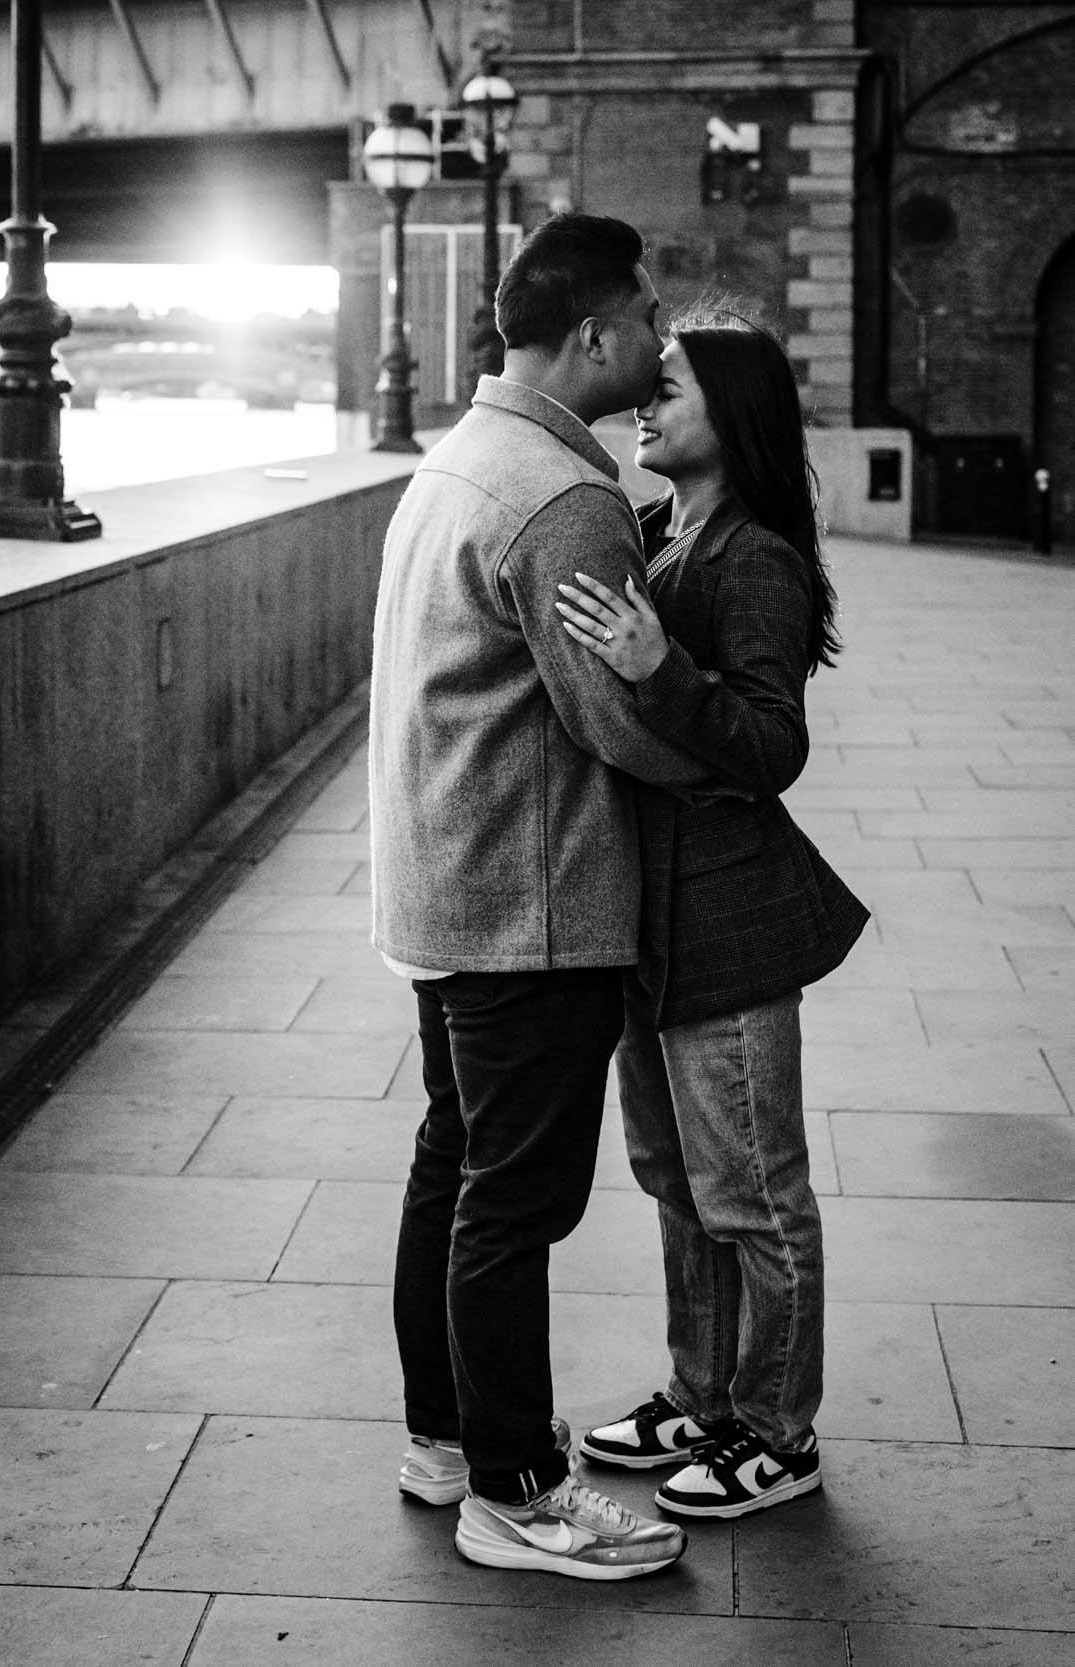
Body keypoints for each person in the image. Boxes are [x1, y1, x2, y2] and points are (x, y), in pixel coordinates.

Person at [371, 212, 751, 1582]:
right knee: (514, 1202)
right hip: (531, 902)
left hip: (444, 879)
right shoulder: (565, 495)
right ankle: (518, 1488)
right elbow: (618, 722)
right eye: (647, 318)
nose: (659, 346)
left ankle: (445, 1440)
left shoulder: (463, 457)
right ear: (590, 334)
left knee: (456, 1169)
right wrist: (720, 746)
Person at [552, 306, 868, 1519]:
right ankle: (704, 1393)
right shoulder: (654, 526)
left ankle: (779, 1432)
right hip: (648, 917)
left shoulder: (755, 559)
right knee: (679, 1179)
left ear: (728, 417)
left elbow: (772, 743)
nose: (645, 400)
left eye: (668, 387)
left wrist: (656, 669)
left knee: (754, 1192)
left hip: (728, 919)